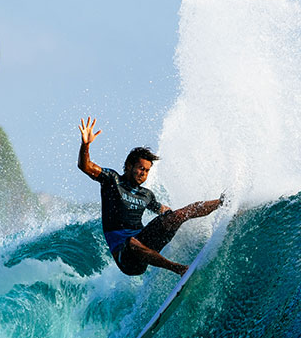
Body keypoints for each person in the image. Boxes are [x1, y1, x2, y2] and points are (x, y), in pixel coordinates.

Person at [77, 117, 222, 276]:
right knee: (132, 242)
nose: (143, 174)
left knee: (178, 215)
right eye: (140, 168)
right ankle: (178, 268)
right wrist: (86, 145)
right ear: (129, 166)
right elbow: (85, 166)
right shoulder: (112, 180)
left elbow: (163, 210)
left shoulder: (146, 195)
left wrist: (174, 217)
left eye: (147, 171)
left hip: (144, 242)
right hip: (125, 257)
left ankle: (222, 202)